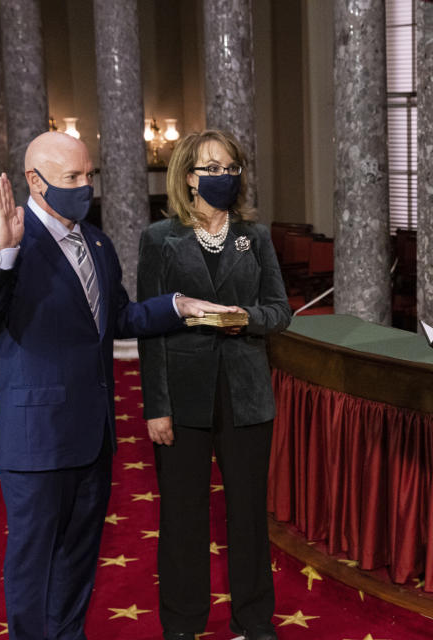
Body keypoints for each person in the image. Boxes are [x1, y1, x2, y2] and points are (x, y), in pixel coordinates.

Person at [0, 131, 225, 640]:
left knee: (79, 557)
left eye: (88, 175)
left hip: (94, 434)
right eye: (71, 178)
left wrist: (176, 306)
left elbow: (116, 317)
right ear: (35, 182)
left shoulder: (95, 242)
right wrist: (2, 254)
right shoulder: (9, 242)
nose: (85, 187)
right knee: (34, 564)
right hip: (36, 440)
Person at [137, 129, 291, 640]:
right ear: (188, 176)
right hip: (182, 399)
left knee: (247, 515)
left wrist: (243, 317)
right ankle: (182, 625)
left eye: (230, 168)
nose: (222, 177)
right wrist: (156, 407)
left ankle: (254, 620)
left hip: (246, 395)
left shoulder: (256, 236)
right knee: (183, 516)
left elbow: (279, 311)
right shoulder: (160, 240)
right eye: (211, 168)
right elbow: (149, 328)